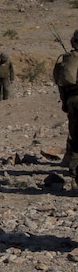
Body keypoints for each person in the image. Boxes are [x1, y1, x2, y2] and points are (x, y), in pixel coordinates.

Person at [57, 30, 78, 183]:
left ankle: (74, 170)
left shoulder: (68, 60)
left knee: (75, 136)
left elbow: (61, 85)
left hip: (73, 100)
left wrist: (65, 103)